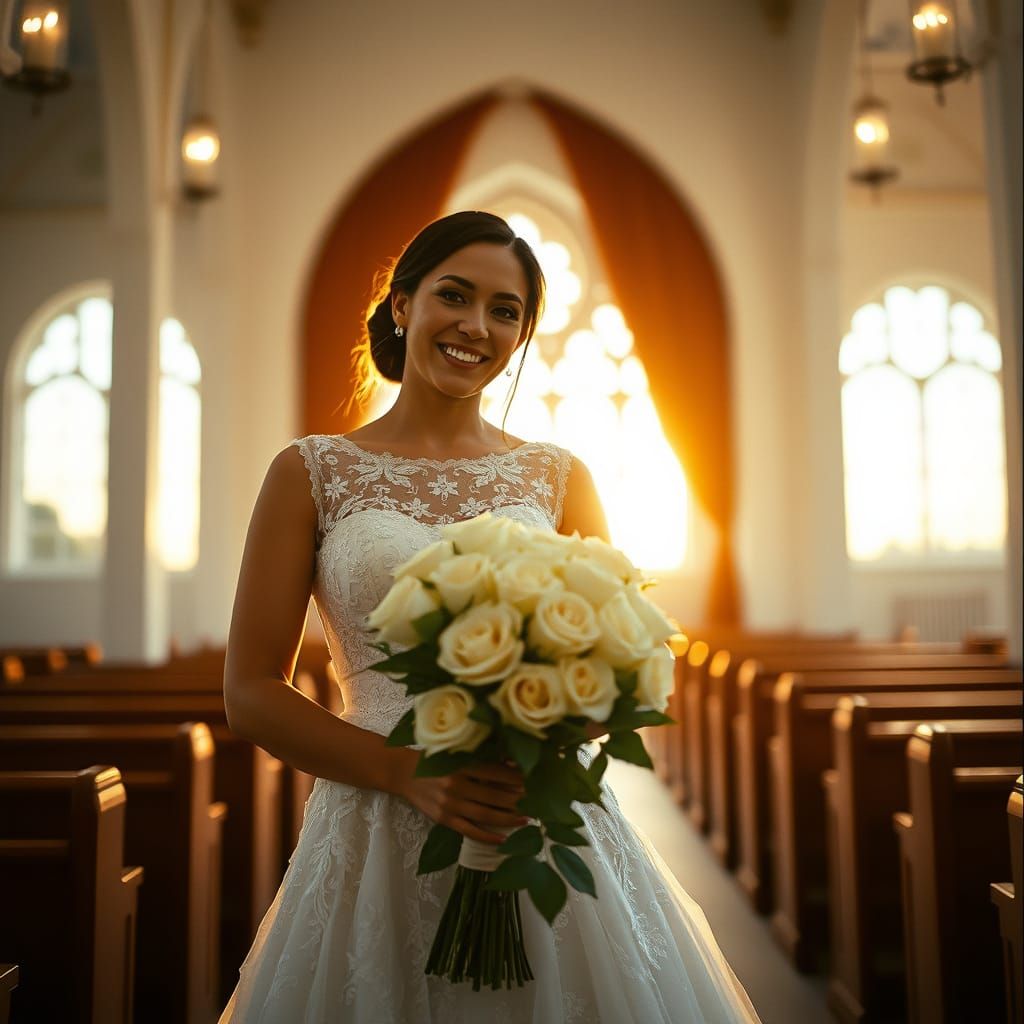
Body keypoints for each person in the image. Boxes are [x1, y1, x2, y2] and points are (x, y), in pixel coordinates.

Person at [218, 211, 761, 1022]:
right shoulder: (311, 472)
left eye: (505, 311)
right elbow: (250, 690)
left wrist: (538, 739)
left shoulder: (559, 476)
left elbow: (623, 657)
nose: (477, 326)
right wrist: (408, 772)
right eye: (455, 296)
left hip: (532, 821)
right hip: (374, 821)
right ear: (403, 305)